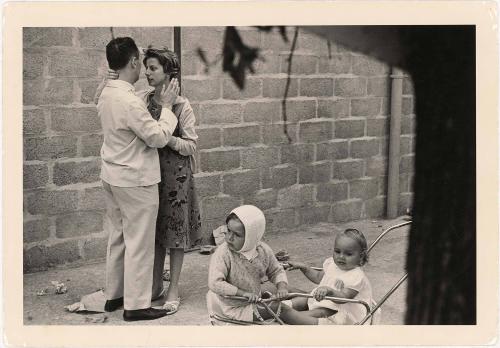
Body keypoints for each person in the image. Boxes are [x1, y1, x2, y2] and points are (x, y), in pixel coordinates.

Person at [96, 46, 201, 315]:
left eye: (154, 68)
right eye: (145, 67)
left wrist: (169, 139)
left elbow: (190, 145)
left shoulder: (181, 105)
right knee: (146, 239)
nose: (147, 73)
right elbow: (154, 136)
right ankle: (140, 298)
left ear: (169, 73)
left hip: (173, 178)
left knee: (174, 235)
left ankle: (167, 288)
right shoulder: (139, 99)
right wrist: (162, 125)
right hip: (144, 177)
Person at [206, 205, 289, 323]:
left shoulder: (262, 250)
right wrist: (242, 293)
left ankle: (312, 301)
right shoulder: (223, 253)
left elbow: (276, 270)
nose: (229, 238)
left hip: (254, 297)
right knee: (282, 309)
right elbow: (215, 283)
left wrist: (282, 287)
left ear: (251, 236)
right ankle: (317, 321)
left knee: (287, 290)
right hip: (233, 306)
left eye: (237, 235)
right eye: (228, 230)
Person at [281, 228, 373, 325]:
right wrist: (304, 267)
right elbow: (317, 277)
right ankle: (286, 305)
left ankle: (294, 315)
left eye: (348, 254)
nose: (341, 256)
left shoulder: (356, 276)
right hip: (327, 301)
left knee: (323, 311)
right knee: (308, 297)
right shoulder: (332, 264)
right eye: (337, 251)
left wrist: (329, 291)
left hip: (342, 309)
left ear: (361, 257)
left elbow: (344, 297)